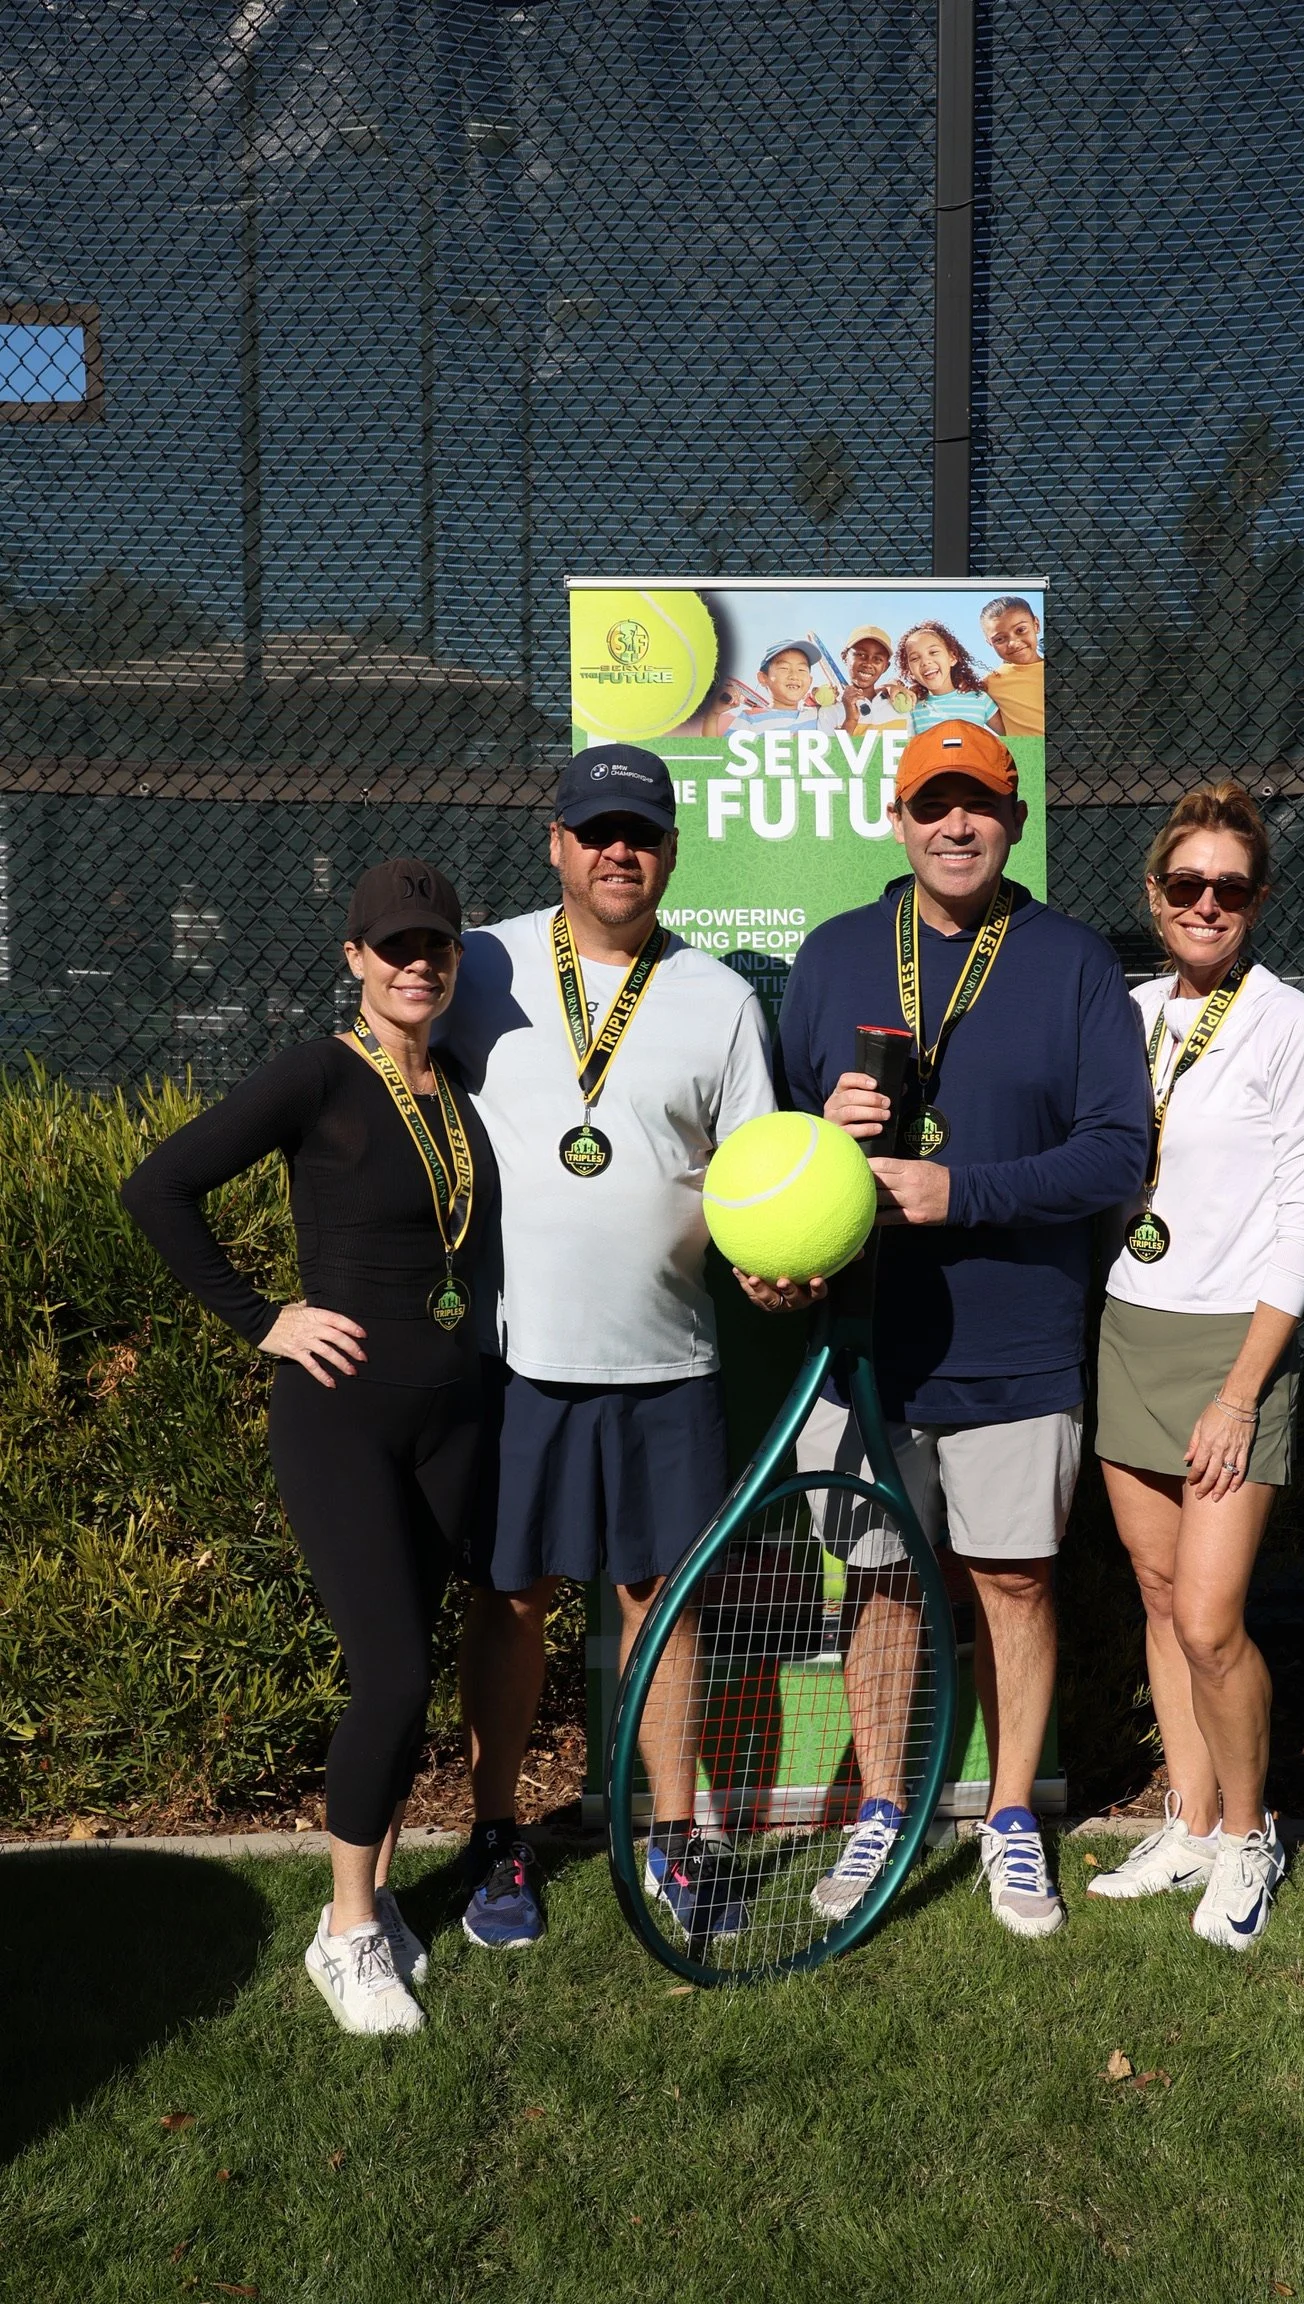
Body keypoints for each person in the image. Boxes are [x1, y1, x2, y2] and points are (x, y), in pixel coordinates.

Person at [752, 719, 1148, 1938]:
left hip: (1018, 1341)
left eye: (979, 803)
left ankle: (1013, 1818)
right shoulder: (827, 959)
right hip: (867, 1342)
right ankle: (885, 1812)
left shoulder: (1073, 963)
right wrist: (828, 1127)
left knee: (1014, 1583)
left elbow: (1116, 1154)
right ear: (898, 818)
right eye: (934, 803)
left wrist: (958, 1190)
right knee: (878, 1590)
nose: (956, 824)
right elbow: (770, 1154)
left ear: (1017, 822)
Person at [121, 859, 494, 2035]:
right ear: (354, 960)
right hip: (340, 1417)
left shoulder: (460, 1085)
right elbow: (159, 1188)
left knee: (416, 1671)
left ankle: (375, 1904)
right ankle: (340, 1937)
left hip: (451, 1415)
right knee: (387, 1674)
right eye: (394, 946)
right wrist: (263, 1317)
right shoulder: (319, 1074)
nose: (416, 963)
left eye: (434, 944)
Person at [439, 742, 776, 1951]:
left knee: (660, 1604)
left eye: (640, 832)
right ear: (557, 845)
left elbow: (751, 1185)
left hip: (668, 1362)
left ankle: (675, 1837)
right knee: (514, 1599)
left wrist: (769, 1266)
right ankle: (495, 1836)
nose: (617, 851)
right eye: (596, 831)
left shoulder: (721, 1001)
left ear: (672, 852)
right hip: (515, 1360)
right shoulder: (482, 967)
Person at [1087, 781, 1304, 1950]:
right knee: (1152, 1594)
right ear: (1154, 895)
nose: (1205, 904)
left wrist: (1243, 1391)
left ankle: (1249, 1836)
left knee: (1207, 1620)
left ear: (1258, 900)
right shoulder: (1126, 1011)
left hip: (1231, 1353)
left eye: (1228, 888)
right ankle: (1188, 1819)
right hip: (1127, 1326)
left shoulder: (1293, 1026)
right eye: (1185, 884)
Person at [896, 621, 1003, 736]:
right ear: (909, 670)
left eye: (933, 652)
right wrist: (892, 686)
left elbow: (1012, 736)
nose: (925, 662)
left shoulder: (980, 699)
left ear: (952, 658)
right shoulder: (912, 707)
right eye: (915, 658)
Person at [979, 595, 1046, 738]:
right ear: (989, 643)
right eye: (1000, 639)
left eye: (1020, 630)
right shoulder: (989, 683)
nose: (1013, 643)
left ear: (1036, 625)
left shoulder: (1064, 670)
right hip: (1030, 756)